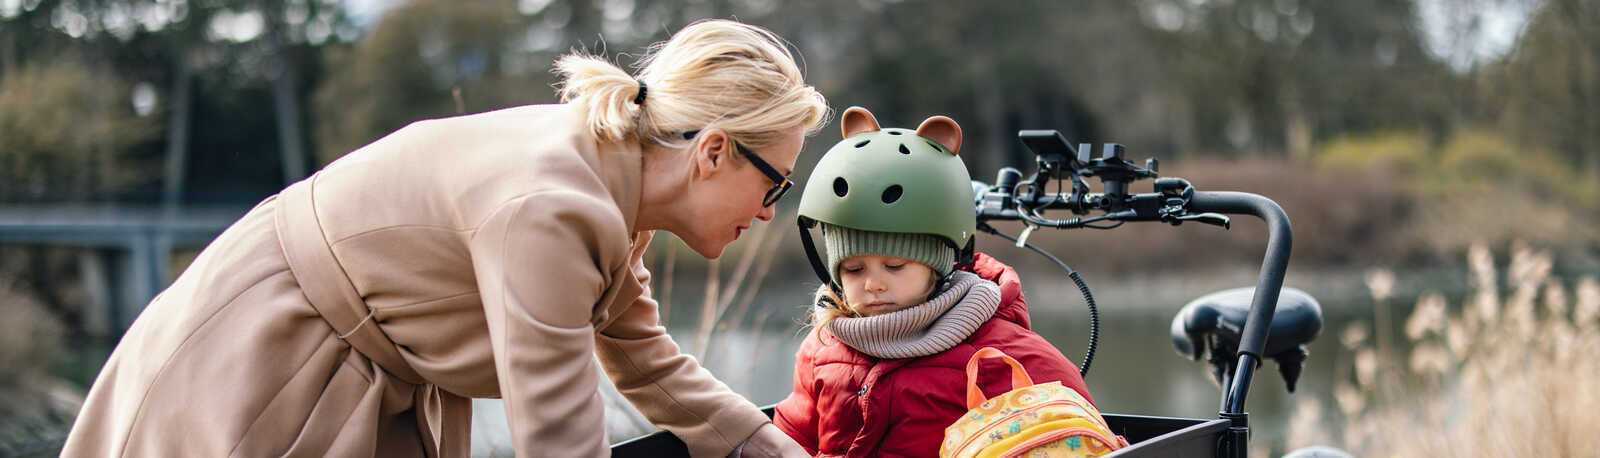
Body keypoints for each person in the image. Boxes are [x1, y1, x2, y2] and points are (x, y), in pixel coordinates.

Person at [62, 19, 825, 458]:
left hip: (356, 372)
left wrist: (773, 450)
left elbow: (648, 365)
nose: (771, 212)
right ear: (712, 152)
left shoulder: (609, 187)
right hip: (272, 362)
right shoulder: (556, 209)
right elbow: (559, 440)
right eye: (775, 183)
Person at [771, 107, 1095, 457]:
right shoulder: (823, 349)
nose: (873, 284)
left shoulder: (998, 355)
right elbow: (792, 439)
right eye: (853, 270)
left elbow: (1077, 430)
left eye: (894, 266)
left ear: (937, 266)